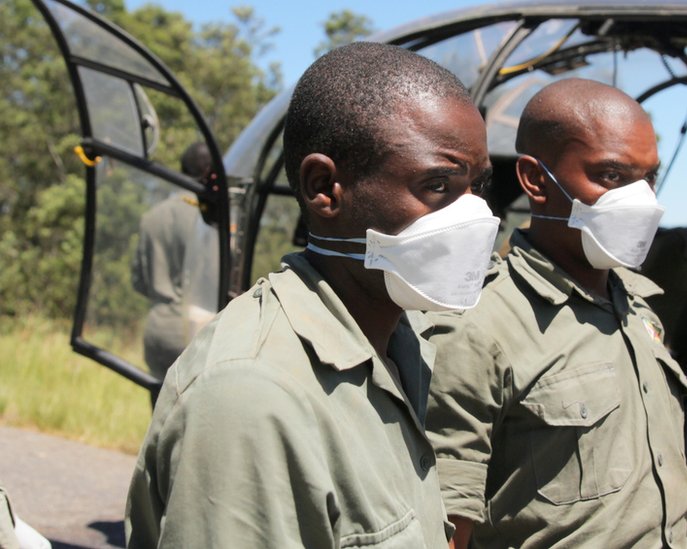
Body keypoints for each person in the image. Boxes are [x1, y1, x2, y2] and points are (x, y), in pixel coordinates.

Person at [125, 42, 498, 548]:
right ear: (324, 188)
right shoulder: (253, 396)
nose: (473, 216)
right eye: (438, 184)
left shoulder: (396, 345)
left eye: (478, 185)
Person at [425, 78, 687, 549]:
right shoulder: (480, 326)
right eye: (611, 176)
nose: (640, 199)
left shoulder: (636, 306)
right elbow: (447, 527)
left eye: (648, 177)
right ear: (535, 179)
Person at [131, 141, 219, 401]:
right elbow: (217, 279)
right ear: (210, 173)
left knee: (158, 426)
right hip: (195, 333)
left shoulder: (152, 216)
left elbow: (139, 281)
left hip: (157, 332)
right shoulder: (209, 219)